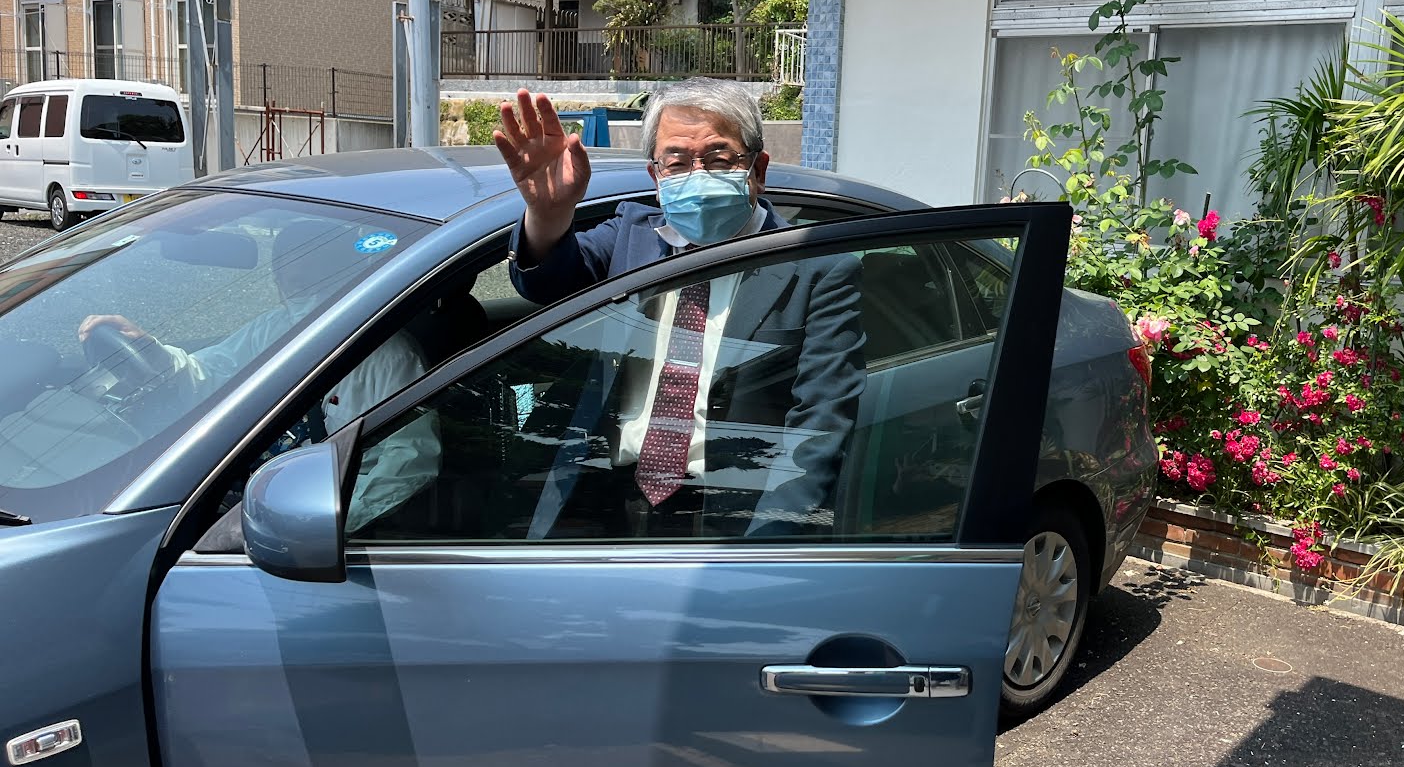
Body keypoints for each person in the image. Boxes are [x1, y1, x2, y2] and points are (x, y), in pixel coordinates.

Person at [494, 78, 864, 537]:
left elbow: (820, 425)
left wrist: (769, 541)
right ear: (656, 177)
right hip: (607, 501)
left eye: (719, 159)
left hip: (735, 515)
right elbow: (546, 281)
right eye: (677, 162)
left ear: (758, 168)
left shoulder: (814, 268)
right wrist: (548, 214)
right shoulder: (630, 236)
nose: (698, 175)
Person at [79, 218, 439, 531]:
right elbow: (210, 372)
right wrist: (152, 351)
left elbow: (409, 462)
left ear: (344, 271)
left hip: (317, 519)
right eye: (284, 270)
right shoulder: (274, 328)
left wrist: (324, 524)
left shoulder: (388, 358)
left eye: (309, 271)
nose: (290, 281)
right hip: (243, 494)